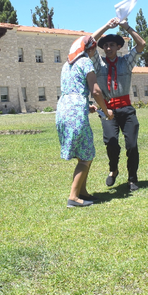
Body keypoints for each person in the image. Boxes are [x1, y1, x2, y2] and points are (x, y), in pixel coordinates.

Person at [56, 36, 113, 208]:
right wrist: (106, 111)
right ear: (89, 49)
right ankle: (73, 196)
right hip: (76, 111)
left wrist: (86, 107)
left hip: (63, 110)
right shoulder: (86, 62)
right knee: (86, 156)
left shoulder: (66, 65)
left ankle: (82, 192)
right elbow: (95, 91)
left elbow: (72, 91)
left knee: (84, 152)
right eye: (94, 49)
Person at [91, 17, 146, 191]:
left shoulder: (126, 62)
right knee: (112, 141)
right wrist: (107, 25)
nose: (108, 48)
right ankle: (113, 169)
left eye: (112, 45)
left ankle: (132, 178)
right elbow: (90, 43)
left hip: (126, 109)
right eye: (105, 46)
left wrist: (126, 27)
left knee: (132, 145)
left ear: (118, 47)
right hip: (107, 110)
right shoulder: (99, 64)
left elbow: (141, 44)